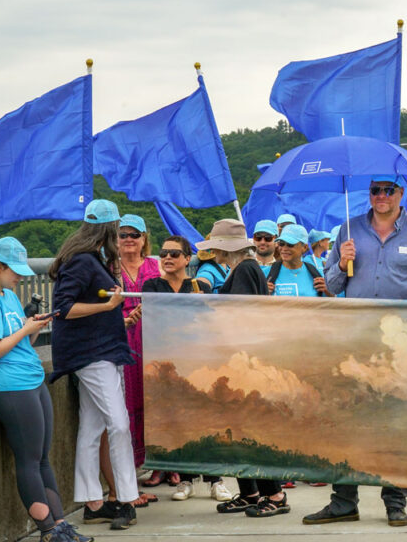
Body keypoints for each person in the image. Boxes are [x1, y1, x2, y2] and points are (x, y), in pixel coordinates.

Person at [312, 175, 407, 527]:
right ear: (368, 194)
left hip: (402, 336)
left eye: (389, 190)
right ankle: (344, 501)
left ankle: (395, 502)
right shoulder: (348, 229)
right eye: (375, 190)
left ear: (402, 194)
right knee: (347, 415)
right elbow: (331, 285)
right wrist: (341, 263)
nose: (382, 196)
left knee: (399, 418)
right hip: (356, 335)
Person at [0, 237, 92, 542]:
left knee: (42, 459)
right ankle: (46, 531)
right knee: (29, 460)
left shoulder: (6, 294)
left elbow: (22, 342)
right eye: (15, 270)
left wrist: (32, 326)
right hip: (10, 386)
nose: (20, 276)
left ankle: (60, 523)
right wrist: (23, 329)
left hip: (31, 379)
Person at [49, 199, 139, 531]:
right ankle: (127, 500)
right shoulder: (84, 262)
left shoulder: (86, 259)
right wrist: (108, 306)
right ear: (110, 229)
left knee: (92, 427)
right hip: (93, 354)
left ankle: (93, 502)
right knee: (118, 424)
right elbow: (64, 309)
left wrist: (113, 310)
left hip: (96, 351)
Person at [196, 219, 291, 518]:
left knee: (248, 429)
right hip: (240, 357)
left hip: (243, 358)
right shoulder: (243, 269)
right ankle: (250, 492)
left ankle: (274, 494)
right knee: (235, 428)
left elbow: (240, 314)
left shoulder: (245, 269)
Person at [140, 235, 234, 503]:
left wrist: (200, 302)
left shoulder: (198, 286)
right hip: (166, 362)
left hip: (197, 360)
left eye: (173, 253)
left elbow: (209, 322)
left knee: (206, 419)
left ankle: (216, 480)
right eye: (163, 253)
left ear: (186, 258)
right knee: (177, 421)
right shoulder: (152, 286)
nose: (167, 258)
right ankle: (186, 480)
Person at [115, 213, 169, 496]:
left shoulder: (156, 265)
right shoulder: (110, 268)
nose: (129, 240)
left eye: (134, 235)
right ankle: (132, 464)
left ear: (144, 238)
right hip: (124, 338)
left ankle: (164, 464)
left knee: (158, 397)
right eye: (123, 235)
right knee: (128, 400)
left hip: (155, 338)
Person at [272, 224, 331, 297]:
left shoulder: (316, 275)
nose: (284, 248)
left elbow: (330, 304)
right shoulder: (268, 274)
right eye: (281, 244)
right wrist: (263, 293)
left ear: (305, 247)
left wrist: (328, 292)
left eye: (290, 244)